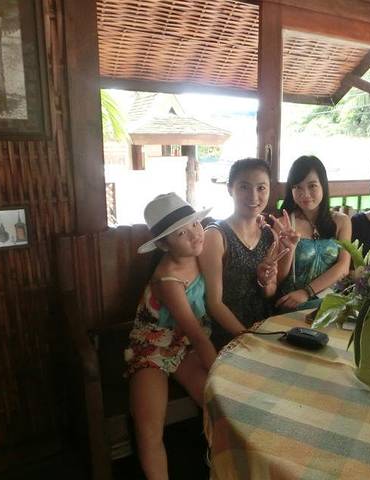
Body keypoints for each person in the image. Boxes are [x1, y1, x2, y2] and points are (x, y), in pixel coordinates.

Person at [125, 192, 217, 480]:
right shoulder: (167, 278)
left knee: (217, 404)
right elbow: (196, 333)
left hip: (186, 346)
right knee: (148, 428)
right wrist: (221, 370)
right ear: (164, 244)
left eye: (195, 224)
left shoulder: (203, 253)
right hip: (153, 345)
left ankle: (223, 467)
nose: (194, 234)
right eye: (181, 233)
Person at [199, 158, 287, 350]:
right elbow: (214, 303)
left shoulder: (270, 235)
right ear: (230, 189)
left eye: (261, 188)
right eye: (244, 187)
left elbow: (270, 292)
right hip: (228, 334)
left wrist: (265, 281)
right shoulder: (215, 236)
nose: (253, 196)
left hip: (265, 328)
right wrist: (249, 339)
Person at [276, 155, 351, 311]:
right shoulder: (284, 224)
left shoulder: (342, 221)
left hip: (331, 304)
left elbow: (344, 266)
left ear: (323, 185)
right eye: (298, 187)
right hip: (294, 304)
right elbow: (279, 278)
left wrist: (307, 292)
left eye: (312, 186)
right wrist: (289, 249)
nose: (305, 194)